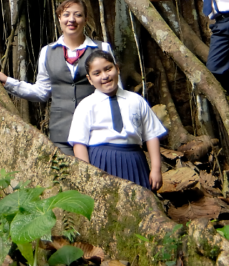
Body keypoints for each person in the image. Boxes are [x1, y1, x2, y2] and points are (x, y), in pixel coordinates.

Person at [0, 0, 112, 155]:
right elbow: (41, 92)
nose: (71, 20)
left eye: (78, 15)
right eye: (66, 14)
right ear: (59, 18)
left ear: (86, 20)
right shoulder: (47, 52)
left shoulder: (102, 48)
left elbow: (115, 90)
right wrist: (7, 82)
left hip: (97, 129)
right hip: (62, 132)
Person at [68, 50, 166, 190]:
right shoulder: (86, 105)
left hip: (134, 161)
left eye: (108, 69)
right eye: (97, 73)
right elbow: (79, 143)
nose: (105, 76)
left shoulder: (136, 101)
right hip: (100, 162)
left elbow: (151, 135)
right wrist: (87, 175)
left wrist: (156, 168)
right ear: (89, 79)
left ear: (117, 69)